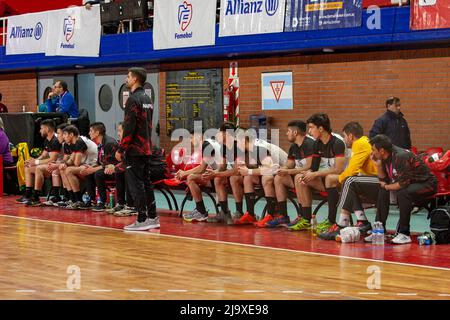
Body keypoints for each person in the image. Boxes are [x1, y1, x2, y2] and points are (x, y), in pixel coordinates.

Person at [369, 134, 437, 244]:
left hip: (427, 184)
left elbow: (402, 184)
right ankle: (379, 230)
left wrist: (386, 186)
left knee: (403, 192)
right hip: (410, 184)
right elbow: (383, 179)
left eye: (373, 149)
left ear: (381, 150)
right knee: (382, 190)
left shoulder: (400, 156)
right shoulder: (385, 157)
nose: (371, 153)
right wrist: (378, 166)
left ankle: (404, 233)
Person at [318, 122, 379, 240]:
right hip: (374, 179)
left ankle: (341, 224)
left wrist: (339, 180)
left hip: (380, 180)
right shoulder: (363, 142)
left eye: (345, 136)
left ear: (350, 136)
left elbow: (351, 171)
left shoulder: (360, 144)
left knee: (347, 180)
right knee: (349, 183)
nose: (345, 140)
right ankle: (361, 221)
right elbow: (353, 170)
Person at [115, 67, 159, 231]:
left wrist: (121, 148)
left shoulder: (133, 99)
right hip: (146, 148)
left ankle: (142, 219)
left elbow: (129, 126)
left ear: (135, 79)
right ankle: (153, 217)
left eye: (128, 76)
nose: (126, 79)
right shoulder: (147, 98)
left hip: (135, 150)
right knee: (146, 183)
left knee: (136, 185)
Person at [296, 113, 346, 234]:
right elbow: (314, 168)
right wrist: (306, 173)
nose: (309, 131)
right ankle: (306, 219)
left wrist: (316, 174)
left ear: (321, 128)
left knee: (329, 178)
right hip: (327, 178)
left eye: (311, 127)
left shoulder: (337, 143)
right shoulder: (317, 143)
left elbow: (339, 170)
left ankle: (331, 220)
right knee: (300, 178)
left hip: (344, 180)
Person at [16, 120, 61, 205]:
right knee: (28, 167)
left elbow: (52, 159)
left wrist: (36, 162)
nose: (40, 131)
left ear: (47, 129)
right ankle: (28, 194)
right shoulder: (48, 140)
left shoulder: (55, 140)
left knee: (39, 168)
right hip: (52, 164)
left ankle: (36, 196)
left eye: (41, 128)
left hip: (58, 165)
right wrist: (33, 161)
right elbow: (44, 155)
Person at [58, 125, 98, 210]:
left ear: (71, 135)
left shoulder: (80, 141)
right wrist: (64, 164)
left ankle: (78, 200)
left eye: (65, 134)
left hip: (94, 164)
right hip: (85, 164)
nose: (63, 136)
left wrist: (67, 164)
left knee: (68, 170)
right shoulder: (74, 143)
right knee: (63, 169)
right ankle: (72, 199)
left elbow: (76, 163)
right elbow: (71, 160)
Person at [82, 122, 119, 212]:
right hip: (105, 169)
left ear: (97, 133)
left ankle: (102, 201)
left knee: (98, 173)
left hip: (115, 171)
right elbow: (100, 163)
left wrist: (93, 169)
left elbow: (109, 165)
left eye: (91, 131)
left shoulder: (109, 143)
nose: (89, 133)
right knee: (88, 172)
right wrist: (90, 167)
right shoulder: (100, 144)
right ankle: (91, 200)